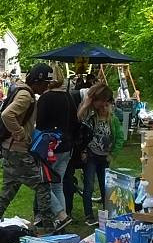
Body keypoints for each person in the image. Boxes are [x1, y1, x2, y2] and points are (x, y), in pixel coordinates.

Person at [0, 66, 53, 225]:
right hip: (18, 148)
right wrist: (20, 133)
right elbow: (7, 115)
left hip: (9, 148)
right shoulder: (26, 95)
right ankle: (47, 225)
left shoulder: (19, 90)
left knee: (9, 188)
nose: (47, 87)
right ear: (37, 81)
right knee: (42, 185)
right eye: (46, 83)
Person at [35, 74, 80, 231]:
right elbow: (75, 122)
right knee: (57, 185)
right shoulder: (68, 97)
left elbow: (39, 124)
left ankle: (61, 215)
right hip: (67, 146)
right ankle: (61, 219)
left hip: (50, 147)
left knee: (43, 183)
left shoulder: (46, 99)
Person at [76, 83, 126, 225]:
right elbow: (81, 123)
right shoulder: (92, 117)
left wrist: (113, 154)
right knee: (89, 185)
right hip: (92, 156)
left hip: (105, 157)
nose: (104, 107)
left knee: (106, 186)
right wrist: (84, 151)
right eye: (102, 104)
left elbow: (119, 138)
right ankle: (89, 215)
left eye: (106, 105)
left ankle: (107, 212)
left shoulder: (113, 120)